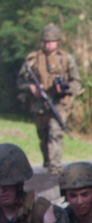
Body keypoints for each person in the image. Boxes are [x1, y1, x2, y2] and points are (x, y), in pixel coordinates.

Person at [16, 24, 81, 174]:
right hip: (40, 104)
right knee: (43, 134)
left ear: (57, 42)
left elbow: (76, 81)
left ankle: (55, 167)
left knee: (55, 132)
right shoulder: (33, 59)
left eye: (51, 41)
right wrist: (31, 88)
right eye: (46, 42)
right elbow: (20, 81)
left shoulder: (66, 59)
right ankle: (47, 161)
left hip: (59, 103)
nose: (48, 44)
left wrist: (65, 89)